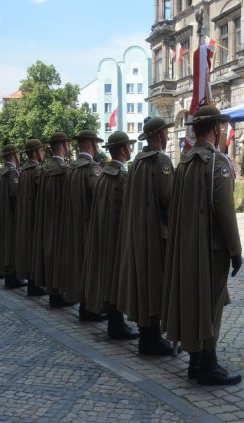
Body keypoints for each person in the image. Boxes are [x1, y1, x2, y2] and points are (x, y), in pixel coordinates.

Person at [162, 105, 243, 385]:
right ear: (217, 129)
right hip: (211, 250)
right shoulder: (216, 162)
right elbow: (225, 213)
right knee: (210, 306)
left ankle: (196, 361)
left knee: (195, 303)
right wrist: (236, 251)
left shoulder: (183, 161)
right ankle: (207, 365)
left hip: (187, 247)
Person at [116, 117, 175, 356]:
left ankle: (147, 334)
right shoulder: (161, 160)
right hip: (155, 234)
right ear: (160, 136)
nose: (167, 137)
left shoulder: (137, 162)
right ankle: (151, 338)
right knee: (154, 284)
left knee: (143, 283)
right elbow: (170, 199)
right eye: (166, 133)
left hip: (137, 232)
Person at [82, 131, 139, 340]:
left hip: (104, 236)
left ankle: (116, 322)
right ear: (124, 149)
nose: (130, 150)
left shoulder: (104, 175)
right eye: (129, 146)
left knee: (110, 278)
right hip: (118, 237)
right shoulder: (122, 176)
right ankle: (116, 324)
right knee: (118, 279)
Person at [61, 129, 105, 320]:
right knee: (90, 266)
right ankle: (89, 308)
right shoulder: (91, 168)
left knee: (77, 265)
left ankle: (84, 306)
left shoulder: (71, 167)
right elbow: (100, 193)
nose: (96, 147)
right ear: (89, 144)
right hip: (89, 226)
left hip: (73, 225)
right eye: (95, 143)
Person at [33, 132, 74, 307]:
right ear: (64, 146)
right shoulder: (64, 170)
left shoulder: (44, 169)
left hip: (46, 218)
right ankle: (58, 294)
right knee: (60, 256)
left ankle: (53, 293)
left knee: (49, 254)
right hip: (61, 220)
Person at [0, 143, 26, 289]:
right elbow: (15, 193)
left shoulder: (2, 171)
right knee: (11, 245)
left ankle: (11, 276)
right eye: (18, 153)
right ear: (14, 154)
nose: (20, 155)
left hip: (3, 214)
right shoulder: (11, 172)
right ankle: (12, 277)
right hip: (11, 216)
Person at [15, 138, 46, 296]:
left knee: (28, 248)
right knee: (35, 249)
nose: (43, 153)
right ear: (35, 152)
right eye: (41, 150)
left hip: (25, 215)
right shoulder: (37, 170)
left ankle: (32, 283)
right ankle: (34, 284)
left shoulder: (24, 170)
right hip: (35, 216)